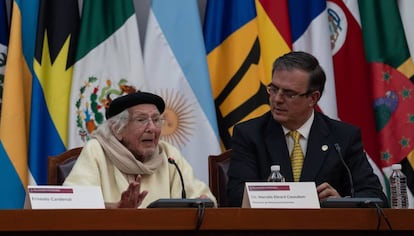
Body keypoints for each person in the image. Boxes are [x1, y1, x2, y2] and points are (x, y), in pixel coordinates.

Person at [227, 51, 388, 207]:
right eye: (274, 89)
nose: (277, 99)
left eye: (288, 94)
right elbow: (236, 195)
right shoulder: (250, 134)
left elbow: (373, 196)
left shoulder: (342, 137)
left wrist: (341, 202)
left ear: (313, 98)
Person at [63, 91, 217, 208]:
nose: (151, 128)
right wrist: (115, 209)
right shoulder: (97, 151)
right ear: (117, 129)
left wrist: (203, 201)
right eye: (141, 120)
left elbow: (203, 199)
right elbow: (74, 204)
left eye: (156, 120)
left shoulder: (169, 155)